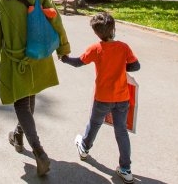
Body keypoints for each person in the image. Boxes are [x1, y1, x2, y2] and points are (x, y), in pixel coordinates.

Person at [0, 0, 71, 176]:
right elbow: (55, 20)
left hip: (15, 60)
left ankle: (39, 151)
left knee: (22, 104)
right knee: (29, 97)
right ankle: (17, 136)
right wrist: (63, 48)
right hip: (38, 57)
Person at [60, 12, 140, 183]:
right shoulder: (124, 47)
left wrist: (64, 58)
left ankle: (85, 147)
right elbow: (135, 66)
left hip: (103, 97)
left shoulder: (95, 49)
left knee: (95, 123)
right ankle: (126, 169)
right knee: (121, 132)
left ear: (96, 33)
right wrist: (121, 65)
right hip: (122, 97)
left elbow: (78, 62)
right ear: (113, 29)